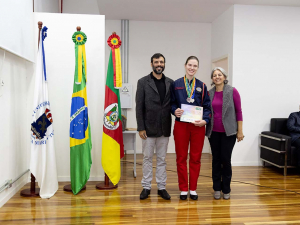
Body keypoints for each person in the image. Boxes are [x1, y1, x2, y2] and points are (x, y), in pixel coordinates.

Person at [170, 56, 211, 200]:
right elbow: (172, 103)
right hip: (181, 125)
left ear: (197, 68)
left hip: (197, 126)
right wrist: (174, 110)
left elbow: (207, 107)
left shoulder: (202, 86)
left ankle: (193, 188)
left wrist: (205, 121)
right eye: (190, 65)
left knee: (195, 158)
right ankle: (183, 189)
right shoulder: (176, 84)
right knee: (181, 157)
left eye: (195, 66)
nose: (192, 68)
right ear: (185, 65)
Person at [136, 53, 174, 200]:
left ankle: (161, 187)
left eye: (162, 62)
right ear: (151, 63)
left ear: (164, 64)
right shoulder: (143, 82)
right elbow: (139, 106)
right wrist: (141, 127)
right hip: (148, 128)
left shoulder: (170, 82)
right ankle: (146, 186)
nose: (159, 64)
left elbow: (172, 105)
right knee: (147, 158)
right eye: (156, 62)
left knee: (162, 159)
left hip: (164, 128)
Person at [206, 67, 244, 200]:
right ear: (212, 78)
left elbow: (239, 111)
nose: (217, 77)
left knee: (225, 160)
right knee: (215, 160)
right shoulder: (209, 93)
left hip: (229, 133)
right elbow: (205, 111)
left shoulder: (232, 91)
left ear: (224, 77)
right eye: (214, 75)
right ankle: (216, 188)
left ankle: (226, 189)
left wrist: (240, 130)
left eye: (219, 75)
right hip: (213, 132)